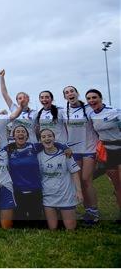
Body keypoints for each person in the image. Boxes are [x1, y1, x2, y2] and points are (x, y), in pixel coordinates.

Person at [63, 86, 99, 223]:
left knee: (86, 180)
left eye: (72, 91)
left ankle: (94, 211)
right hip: (74, 150)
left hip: (89, 149)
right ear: (65, 97)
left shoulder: (89, 109)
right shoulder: (62, 111)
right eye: (67, 92)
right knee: (77, 182)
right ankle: (87, 211)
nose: (70, 94)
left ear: (77, 93)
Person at [86, 89, 121, 221]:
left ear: (101, 98)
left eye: (94, 97)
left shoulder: (114, 111)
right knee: (117, 185)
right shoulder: (91, 115)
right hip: (108, 152)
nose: (91, 101)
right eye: (88, 99)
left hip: (119, 149)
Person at [37, 128, 82, 230]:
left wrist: (79, 191)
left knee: (70, 228)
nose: (47, 138)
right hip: (48, 196)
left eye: (49, 136)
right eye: (43, 137)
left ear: (54, 138)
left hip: (66, 195)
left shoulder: (65, 153)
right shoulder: (38, 156)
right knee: (53, 228)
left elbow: (74, 172)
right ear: (40, 141)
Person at [0, 69, 38, 143]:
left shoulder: (35, 113)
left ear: (28, 99)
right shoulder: (14, 109)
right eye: (19, 98)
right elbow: (5, 94)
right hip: (15, 144)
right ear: (17, 101)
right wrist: (1, 77)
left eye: (24, 97)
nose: (22, 99)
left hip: (31, 144)